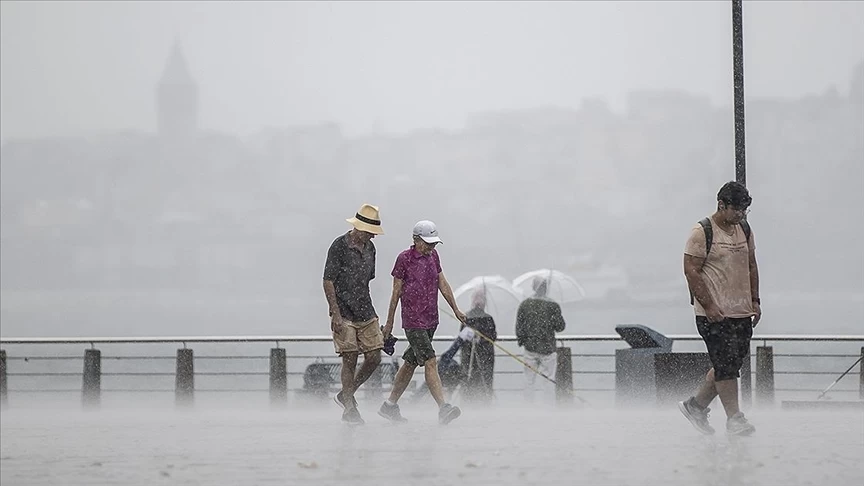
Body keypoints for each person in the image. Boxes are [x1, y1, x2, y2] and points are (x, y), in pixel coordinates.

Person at [679, 181, 761, 436]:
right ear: (721, 205)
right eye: (736, 209)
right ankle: (735, 419)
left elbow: (751, 265)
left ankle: (695, 406)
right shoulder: (702, 231)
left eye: (744, 210)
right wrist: (710, 305)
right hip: (712, 313)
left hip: (742, 310)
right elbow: (691, 271)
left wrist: (756, 301)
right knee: (725, 364)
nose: (740, 215)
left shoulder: (744, 230)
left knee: (730, 364)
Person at [378, 220, 467, 425]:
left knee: (410, 362)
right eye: (427, 243)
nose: (430, 247)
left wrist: (455, 309)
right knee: (430, 360)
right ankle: (443, 408)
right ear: (415, 239)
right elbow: (395, 293)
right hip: (413, 320)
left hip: (430, 319)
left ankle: (389, 405)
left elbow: (442, 283)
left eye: (434, 243)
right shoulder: (404, 259)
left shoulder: (434, 256)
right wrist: (389, 323)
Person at [323, 203, 386, 425]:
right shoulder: (339, 246)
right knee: (349, 358)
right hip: (344, 311)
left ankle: (347, 393)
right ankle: (349, 407)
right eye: (370, 232)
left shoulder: (370, 249)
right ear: (359, 228)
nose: (373, 237)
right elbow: (328, 280)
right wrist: (335, 313)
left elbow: (367, 281)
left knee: (375, 356)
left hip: (365, 309)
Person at [515, 277, 566, 405]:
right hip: (548, 349)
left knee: (528, 380)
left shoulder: (525, 304)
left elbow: (519, 327)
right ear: (546, 288)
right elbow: (560, 327)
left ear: (533, 287)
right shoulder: (553, 306)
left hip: (530, 350)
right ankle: (548, 407)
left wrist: (523, 341)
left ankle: (528, 406)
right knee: (549, 380)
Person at [460, 290, 497, 403]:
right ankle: (485, 401)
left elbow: (461, 337)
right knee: (485, 378)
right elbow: (492, 337)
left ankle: (468, 400)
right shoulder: (488, 318)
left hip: (468, 355)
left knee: (469, 377)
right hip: (486, 356)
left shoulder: (466, 317)